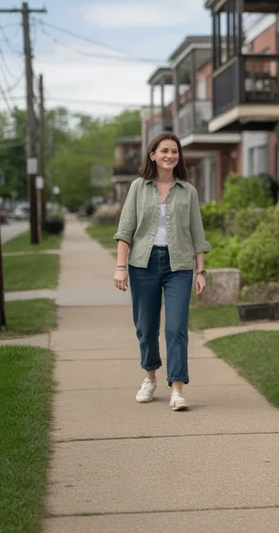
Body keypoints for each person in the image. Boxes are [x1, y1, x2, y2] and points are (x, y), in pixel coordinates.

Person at [113, 132, 210, 411]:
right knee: (146, 328)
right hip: (143, 264)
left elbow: (197, 234)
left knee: (177, 327)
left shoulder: (188, 191)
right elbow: (125, 230)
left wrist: (201, 271)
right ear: (153, 155)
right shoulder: (137, 187)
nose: (170, 155)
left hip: (179, 266)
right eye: (164, 151)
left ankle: (177, 389)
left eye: (175, 151)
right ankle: (150, 376)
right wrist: (121, 268)